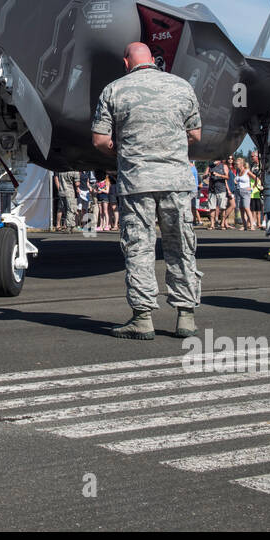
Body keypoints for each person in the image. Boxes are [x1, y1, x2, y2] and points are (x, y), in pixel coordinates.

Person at [92, 42, 203, 340]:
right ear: (154, 60)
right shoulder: (182, 87)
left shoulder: (114, 90)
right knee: (180, 246)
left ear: (126, 62)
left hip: (136, 183)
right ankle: (185, 317)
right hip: (176, 182)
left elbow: (100, 140)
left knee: (139, 248)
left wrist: (123, 149)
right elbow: (195, 134)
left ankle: (142, 319)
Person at [208, 157, 231, 229]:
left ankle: (222, 224)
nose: (215, 161)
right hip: (212, 190)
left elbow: (227, 177)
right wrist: (207, 175)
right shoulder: (210, 166)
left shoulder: (223, 166)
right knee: (212, 207)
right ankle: (212, 224)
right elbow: (204, 176)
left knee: (222, 207)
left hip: (221, 189)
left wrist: (219, 175)